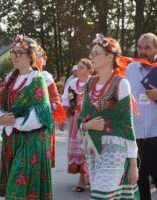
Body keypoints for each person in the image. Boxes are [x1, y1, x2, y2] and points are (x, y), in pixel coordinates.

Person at [78, 34, 139, 199]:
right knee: (103, 193)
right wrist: (86, 126)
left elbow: (127, 125)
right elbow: (82, 118)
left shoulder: (121, 84)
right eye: (91, 54)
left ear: (110, 56)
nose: (92, 58)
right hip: (93, 148)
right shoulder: (89, 83)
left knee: (102, 195)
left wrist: (133, 163)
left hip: (115, 148)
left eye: (96, 54)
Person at [0, 34, 53, 199]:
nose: (14, 56)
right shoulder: (10, 80)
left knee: (19, 190)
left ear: (30, 57)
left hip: (31, 142)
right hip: (12, 141)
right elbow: (0, 106)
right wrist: (0, 119)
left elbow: (38, 116)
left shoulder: (37, 80)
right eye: (13, 52)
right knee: (17, 190)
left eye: (19, 53)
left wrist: (10, 122)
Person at [125, 32, 157, 200]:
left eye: (147, 48)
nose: (142, 51)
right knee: (140, 175)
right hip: (137, 130)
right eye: (140, 47)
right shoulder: (131, 68)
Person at [61, 58, 92, 192]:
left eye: (82, 68)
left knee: (89, 149)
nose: (78, 70)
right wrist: (62, 118)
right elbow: (67, 102)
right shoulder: (72, 84)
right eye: (78, 67)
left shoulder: (93, 83)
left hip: (89, 120)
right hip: (75, 120)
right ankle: (83, 178)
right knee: (79, 150)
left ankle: (84, 180)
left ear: (90, 70)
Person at [37, 45, 66, 168]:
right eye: (35, 56)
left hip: (43, 124)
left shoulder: (46, 78)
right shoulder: (20, 76)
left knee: (40, 162)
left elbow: (55, 101)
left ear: (44, 60)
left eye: (40, 57)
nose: (37, 60)